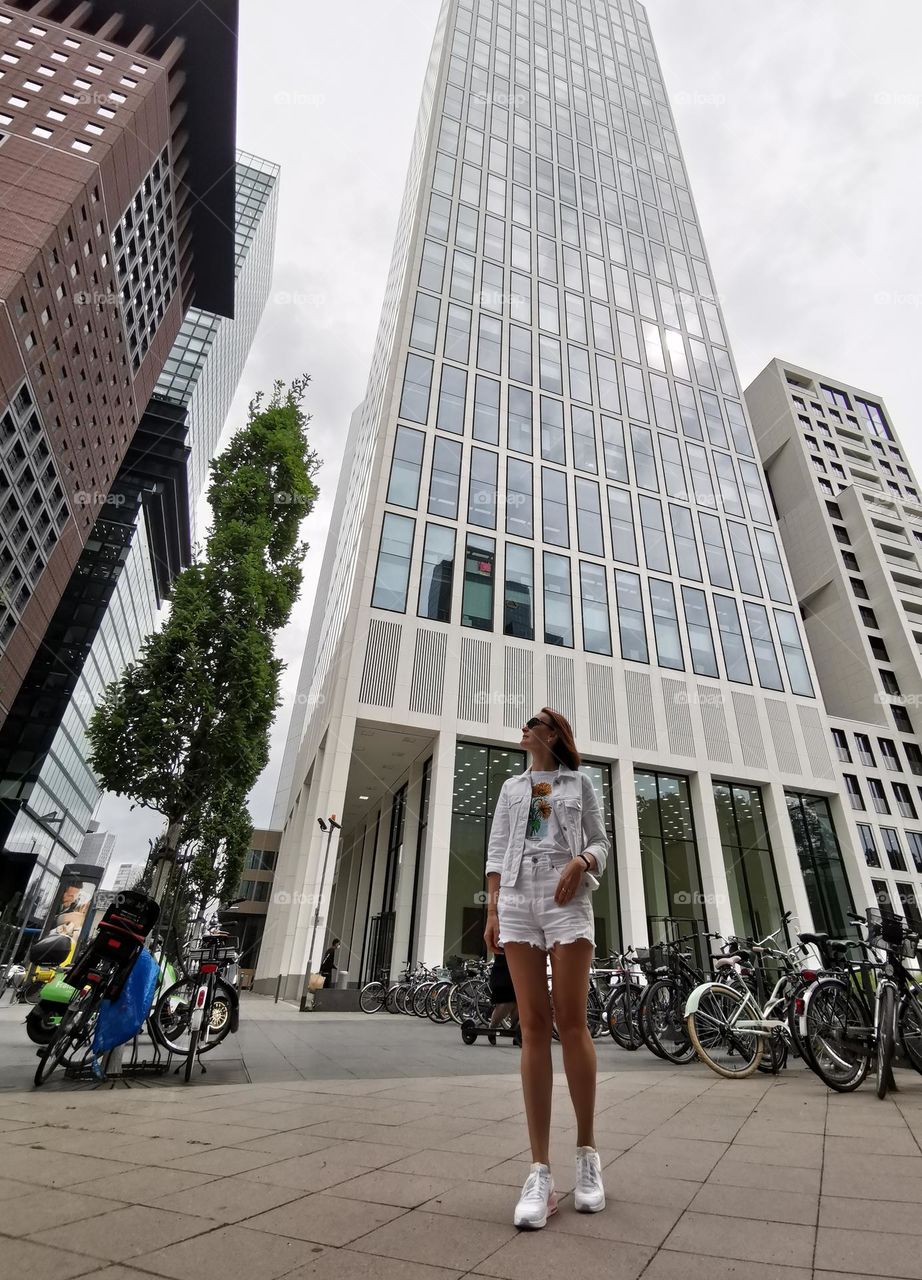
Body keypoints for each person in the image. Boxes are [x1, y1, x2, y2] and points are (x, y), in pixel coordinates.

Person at [484, 708, 609, 1230]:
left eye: (534, 721)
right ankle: (540, 1171)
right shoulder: (512, 788)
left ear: (554, 732)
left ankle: (587, 1155)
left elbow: (603, 842)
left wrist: (582, 861)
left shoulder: (580, 782)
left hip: (565, 896)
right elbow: (495, 850)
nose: (525, 726)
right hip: (516, 897)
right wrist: (492, 908)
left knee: (571, 1021)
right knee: (532, 1028)